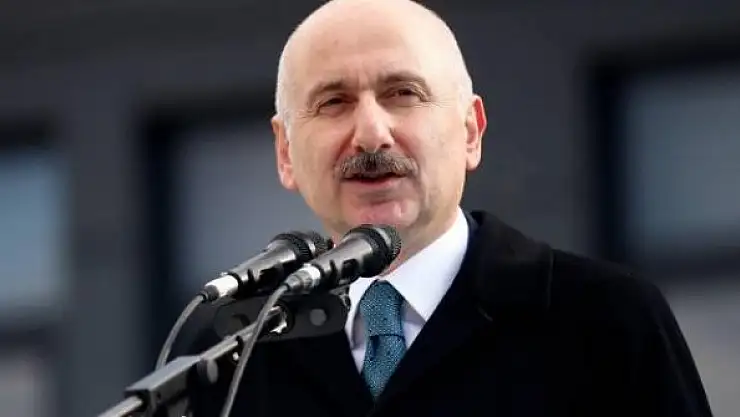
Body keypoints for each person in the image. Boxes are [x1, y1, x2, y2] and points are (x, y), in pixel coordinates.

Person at [181, 0, 713, 416]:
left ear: (470, 132)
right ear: (285, 152)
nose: (370, 133)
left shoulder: (605, 321)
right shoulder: (236, 353)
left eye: (403, 93)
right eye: (334, 102)